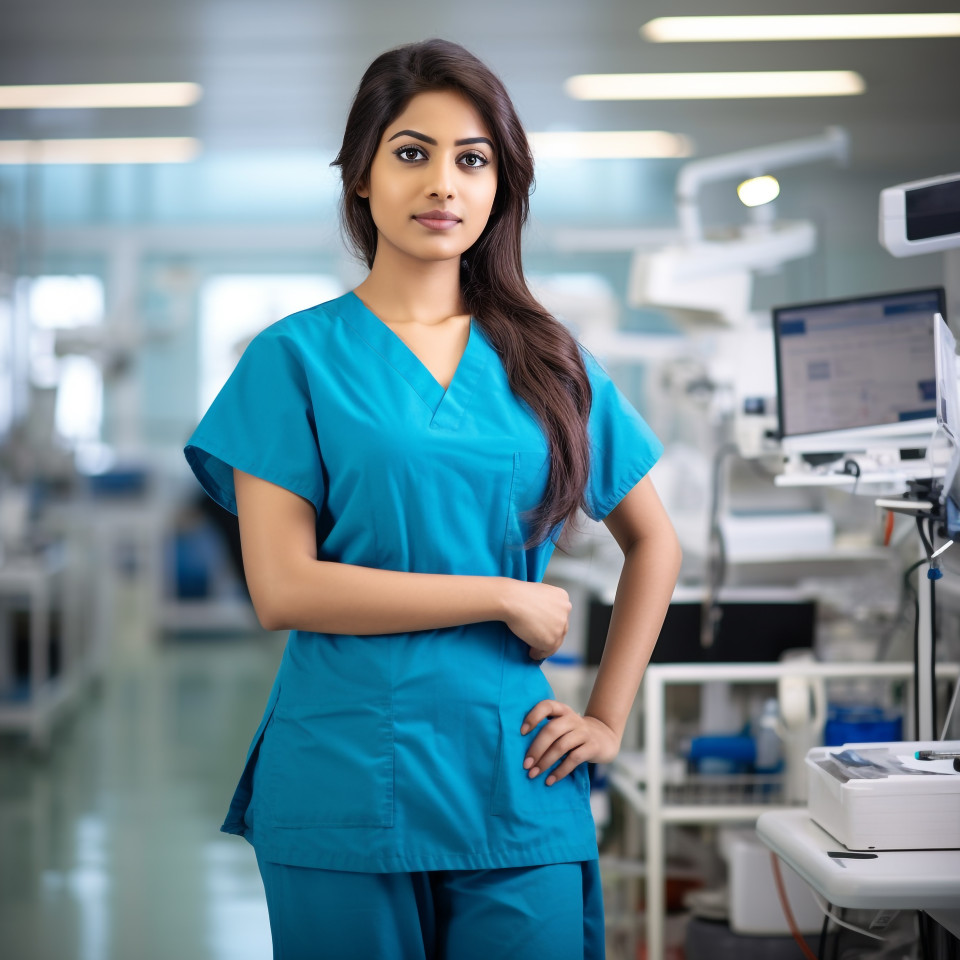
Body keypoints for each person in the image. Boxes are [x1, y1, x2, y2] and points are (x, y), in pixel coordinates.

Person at [183, 37, 681, 960]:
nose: (443, 183)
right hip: (342, 768)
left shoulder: (549, 362)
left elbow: (655, 542)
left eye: (472, 159)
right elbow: (284, 588)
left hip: (512, 764)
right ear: (362, 178)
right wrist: (500, 594)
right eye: (412, 153)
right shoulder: (294, 359)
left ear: (500, 188)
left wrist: (609, 718)